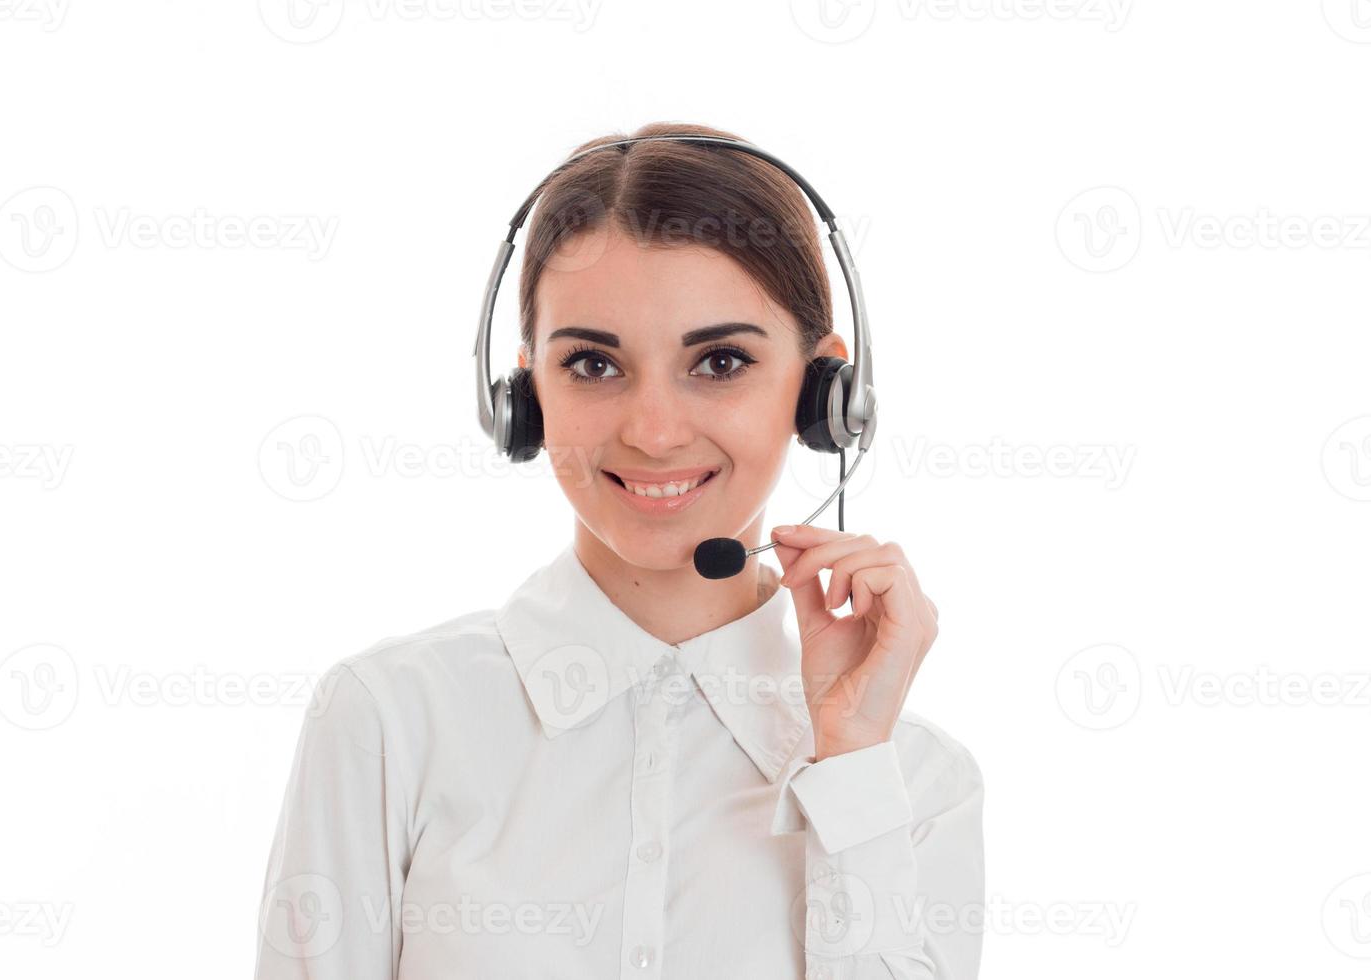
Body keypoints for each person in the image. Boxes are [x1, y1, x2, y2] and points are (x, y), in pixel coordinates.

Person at [252, 121, 985, 979]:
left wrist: (852, 759)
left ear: (828, 392)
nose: (654, 430)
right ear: (521, 398)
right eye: (594, 367)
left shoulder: (913, 782)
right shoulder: (390, 720)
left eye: (718, 361)